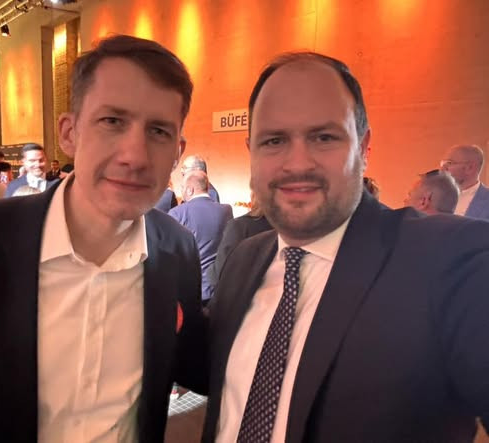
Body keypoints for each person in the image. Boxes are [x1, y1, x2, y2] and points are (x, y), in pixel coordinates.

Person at [0, 34, 207, 442]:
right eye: (112, 121)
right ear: (69, 133)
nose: (134, 155)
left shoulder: (176, 250)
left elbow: (197, 361)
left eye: (158, 131)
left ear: (177, 151)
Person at [202, 52, 489, 443]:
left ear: (364, 146)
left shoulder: (449, 260)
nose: (297, 163)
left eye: (324, 137)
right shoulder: (245, 260)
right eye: (274, 141)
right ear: (250, 150)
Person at [169, 170, 233, 305]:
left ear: (190, 190)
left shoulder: (177, 213)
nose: (182, 192)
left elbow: (170, 253)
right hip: (219, 288)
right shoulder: (226, 211)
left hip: (188, 291)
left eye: (183, 188)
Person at [206, 192, 272, 292]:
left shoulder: (239, 226)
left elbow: (219, 273)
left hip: (246, 296)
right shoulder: (289, 229)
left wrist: (209, 271)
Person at [440, 144, 489, 219]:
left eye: (449, 163)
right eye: (443, 163)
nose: (442, 168)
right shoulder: (433, 198)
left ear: (470, 168)